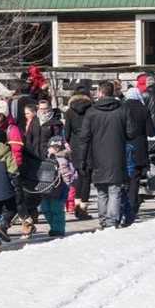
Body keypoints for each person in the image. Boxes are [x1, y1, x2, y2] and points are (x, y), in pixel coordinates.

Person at [74, 82, 135, 230]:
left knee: (102, 190)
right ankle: (111, 220)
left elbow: (84, 137)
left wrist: (81, 158)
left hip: (97, 155)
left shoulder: (92, 112)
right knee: (114, 189)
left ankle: (104, 219)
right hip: (117, 154)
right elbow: (131, 133)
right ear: (113, 92)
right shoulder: (122, 109)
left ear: (100, 93)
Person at [20, 100, 62, 237]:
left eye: (46, 109)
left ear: (50, 108)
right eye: (41, 108)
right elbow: (29, 139)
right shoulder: (35, 121)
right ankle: (30, 221)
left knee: (50, 194)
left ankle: (57, 227)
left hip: (48, 162)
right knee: (34, 194)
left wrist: (53, 149)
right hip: (33, 161)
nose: (43, 111)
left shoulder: (55, 123)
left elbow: (58, 140)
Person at [122, 88, 154, 226]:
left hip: (124, 147)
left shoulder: (121, 108)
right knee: (135, 179)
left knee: (125, 179)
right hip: (140, 148)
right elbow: (151, 131)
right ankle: (132, 207)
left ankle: (123, 207)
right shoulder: (143, 109)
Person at [63, 83, 95, 219]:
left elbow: (67, 132)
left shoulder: (69, 111)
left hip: (75, 144)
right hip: (89, 144)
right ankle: (83, 208)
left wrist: (70, 144)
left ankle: (76, 203)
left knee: (78, 174)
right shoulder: (92, 110)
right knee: (87, 176)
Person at [41, 135, 74, 237]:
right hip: (47, 187)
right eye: (52, 147)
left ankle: (58, 229)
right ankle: (53, 226)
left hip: (60, 188)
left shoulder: (63, 158)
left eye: (56, 147)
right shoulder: (46, 158)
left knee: (57, 209)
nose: (53, 149)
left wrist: (67, 183)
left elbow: (69, 173)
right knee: (45, 208)